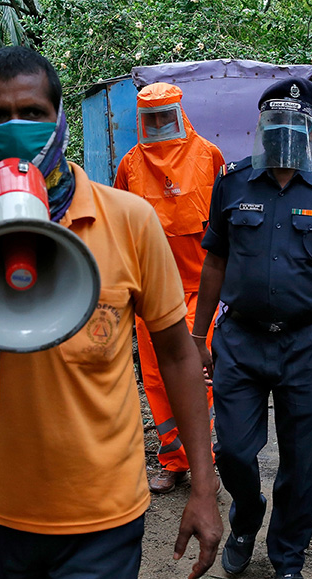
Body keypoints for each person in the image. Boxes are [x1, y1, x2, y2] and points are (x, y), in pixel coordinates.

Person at [0, 46, 221, 579]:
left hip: (103, 512)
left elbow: (177, 354)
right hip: (2, 508)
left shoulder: (129, 218)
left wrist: (204, 485)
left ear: (58, 120)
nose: (16, 127)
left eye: (32, 112)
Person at [191, 77, 312, 579]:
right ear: (262, 127)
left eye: (295, 123)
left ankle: (288, 558)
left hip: (305, 345)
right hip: (240, 342)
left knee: (302, 458)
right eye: (275, 122)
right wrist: (199, 334)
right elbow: (215, 261)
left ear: (311, 130)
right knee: (235, 453)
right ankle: (246, 514)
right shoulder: (233, 181)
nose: (284, 132)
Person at [114, 82, 226, 494]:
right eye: (151, 117)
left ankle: (206, 461)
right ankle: (172, 459)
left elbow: (226, 224)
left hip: (200, 290)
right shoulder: (129, 164)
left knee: (201, 374)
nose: (159, 124)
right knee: (158, 380)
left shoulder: (209, 156)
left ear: (179, 113)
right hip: (151, 293)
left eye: (166, 115)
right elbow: (121, 227)